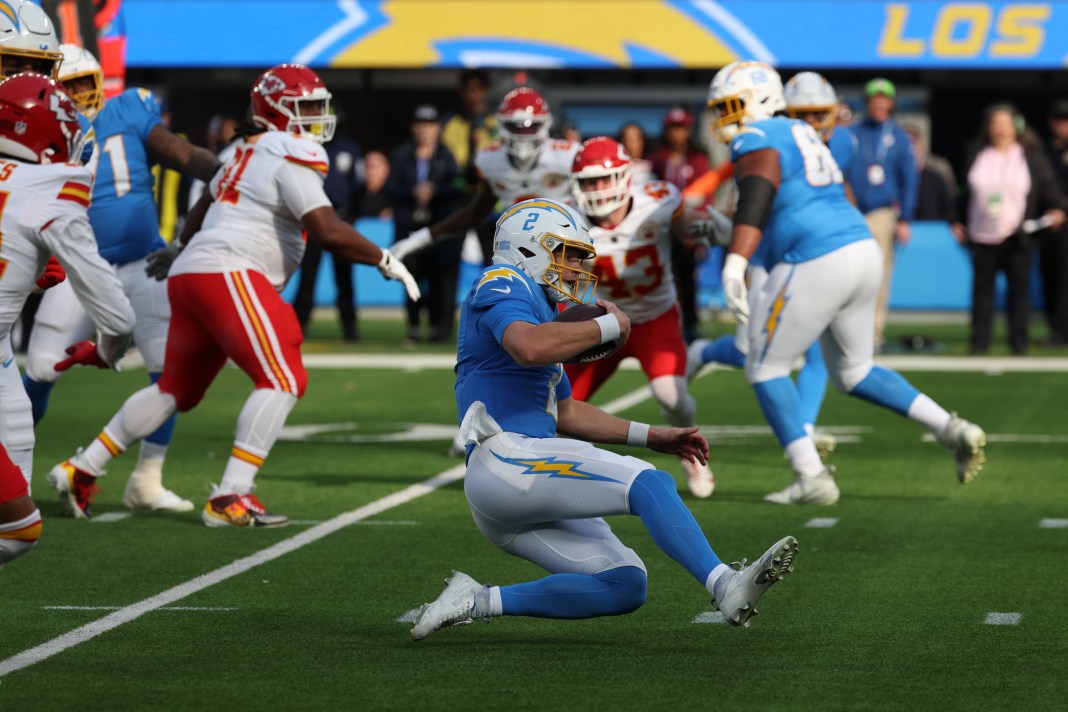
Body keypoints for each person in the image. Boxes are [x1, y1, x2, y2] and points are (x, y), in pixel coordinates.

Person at [49, 64, 421, 526]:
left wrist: (180, 247)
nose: (314, 117)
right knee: (284, 375)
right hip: (229, 270)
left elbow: (207, 201)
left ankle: (82, 467)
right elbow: (327, 231)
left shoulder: (246, 150)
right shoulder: (288, 153)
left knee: (174, 388)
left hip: (192, 273)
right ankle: (231, 495)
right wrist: (382, 259)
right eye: (304, 107)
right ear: (275, 111)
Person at [409, 198, 797, 641]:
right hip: (503, 458)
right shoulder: (502, 279)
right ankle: (726, 584)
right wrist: (609, 327)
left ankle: (476, 599)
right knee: (650, 484)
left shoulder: (541, 309)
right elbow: (528, 347)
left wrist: (653, 436)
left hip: (516, 477)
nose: (576, 267)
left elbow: (567, 411)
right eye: (568, 253)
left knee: (625, 584)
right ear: (530, 246)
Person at [707, 60, 986, 505]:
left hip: (818, 257)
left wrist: (734, 261)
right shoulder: (803, 135)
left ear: (762, 100)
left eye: (732, 105)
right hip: (859, 247)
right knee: (853, 371)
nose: (726, 117)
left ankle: (811, 476)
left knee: (765, 365)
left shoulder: (759, 136)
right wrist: (725, 231)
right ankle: (950, 427)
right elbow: (797, 207)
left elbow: (757, 197)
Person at [27, 44, 222, 514]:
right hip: (77, 268)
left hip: (143, 262)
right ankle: (8, 475)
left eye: (81, 83)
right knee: (38, 370)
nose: (75, 95)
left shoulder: (127, 111)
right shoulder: (36, 131)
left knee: (171, 374)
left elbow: (179, 152)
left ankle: (147, 480)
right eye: (65, 85)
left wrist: (223, 169)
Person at [688, 71, 855, 460]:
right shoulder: (760, 138)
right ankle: (703, 353)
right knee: (751, 352)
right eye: (804, 113)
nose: (811, 123)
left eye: (819, 114)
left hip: (806, 256)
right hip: (766, 255)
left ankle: (804, 431)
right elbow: (748, 204)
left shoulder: (829, 143)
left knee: (815, 350)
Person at [0, 74, 135, 536]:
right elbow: (117, 316)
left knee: (18, 439)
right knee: (19, 531)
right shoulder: (53, 183)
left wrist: (27, 278)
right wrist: (106, 351)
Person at [567, 136, 722, 499]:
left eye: (604, 179)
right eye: (589, 181)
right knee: (559, 404)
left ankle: (691, 453)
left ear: (625, 177)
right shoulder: (567, 218)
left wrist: (706, 227)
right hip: (601, 323)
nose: (598, 189)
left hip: (655, 318)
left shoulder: (658, 201)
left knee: (672, 397)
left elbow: (693, 230)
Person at [388, 87, 579, 264]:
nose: (523, 134)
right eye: (516, 127)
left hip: (570, 246)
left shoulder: (568, 155)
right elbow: (474, 213)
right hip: (521, 250)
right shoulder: (491, 160)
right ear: (502, 125)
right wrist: (421, 238)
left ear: (545, 125)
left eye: (530, 127)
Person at [953, 103, 1066, 355]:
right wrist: (956, 219)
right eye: (995, 124)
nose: (999, 129)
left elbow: (1048, 187)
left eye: (1004, 124)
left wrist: (1056, 208)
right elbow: (963, 191)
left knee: (1019, 292)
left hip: (1017, 234)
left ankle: (1019, 343)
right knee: (982, 292)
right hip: (981, 233)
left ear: (1015, 127)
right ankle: (979, 342)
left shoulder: (1030, 156)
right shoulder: (976, 152)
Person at [846, 78, 919, 351]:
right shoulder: (852, 133)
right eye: (873, 98)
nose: (878, 103)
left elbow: (909, 179)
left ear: (890, 103)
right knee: (847, 275)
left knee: (879, 274)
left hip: (881, 213)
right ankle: (846, 332)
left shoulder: (899, 137)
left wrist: (905, 218)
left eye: (883, 98)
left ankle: (873, 334)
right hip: (851, 212)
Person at [388, 104, 464, 343]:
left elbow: (457, 186)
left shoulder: (446, 155)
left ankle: (435, 328)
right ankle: (412, 327)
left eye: (429, 125)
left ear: (437, 129)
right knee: (410, 275)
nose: (424, 130)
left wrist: (435, 191)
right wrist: (414, 192)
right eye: (420, 125)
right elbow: (391, 188)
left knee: (437, 278)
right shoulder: (402, 155)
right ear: (414, 128)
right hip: (409, 226)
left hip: (437, 228)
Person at [294, 115, 364, 341]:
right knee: (308, 278)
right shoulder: (305, 147)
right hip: (313, 219)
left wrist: (351, 217)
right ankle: (298, 327)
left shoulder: (348, 149)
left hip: (340, 218)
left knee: (344, 278)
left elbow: (359, 186)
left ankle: (350, 329)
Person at [650, 106, 710, 344]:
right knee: (661, 279)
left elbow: (705, 194)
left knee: (687, 280)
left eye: (681, 129)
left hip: (686, 230)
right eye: (673, 129)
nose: (677, 134)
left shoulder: (697, 158)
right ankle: (660, 325)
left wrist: (694, 228)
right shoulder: (658, 158)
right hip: (662, 229)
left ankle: (691, 326)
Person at [1040, 99, 1068, 345]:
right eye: (1060, 120)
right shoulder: (1044, 150)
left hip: (1065, 222)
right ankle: (1055, 329)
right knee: (1050, 276)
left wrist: (1063, 209)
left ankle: (1062, 331)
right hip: (1047, 224)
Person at [902, 123, 958, 222]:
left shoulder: (938, 170)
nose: (910, 149)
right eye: (905, 144)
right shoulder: (892, 179)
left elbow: (950, 206)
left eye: (913, 143)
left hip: (932, 230)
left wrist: (953, 222)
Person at [354, 150, 392, 219]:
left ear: (385, 170)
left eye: (373, 167)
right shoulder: (356, 196)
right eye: (366, 167)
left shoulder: (394, 197)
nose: (369, 171)